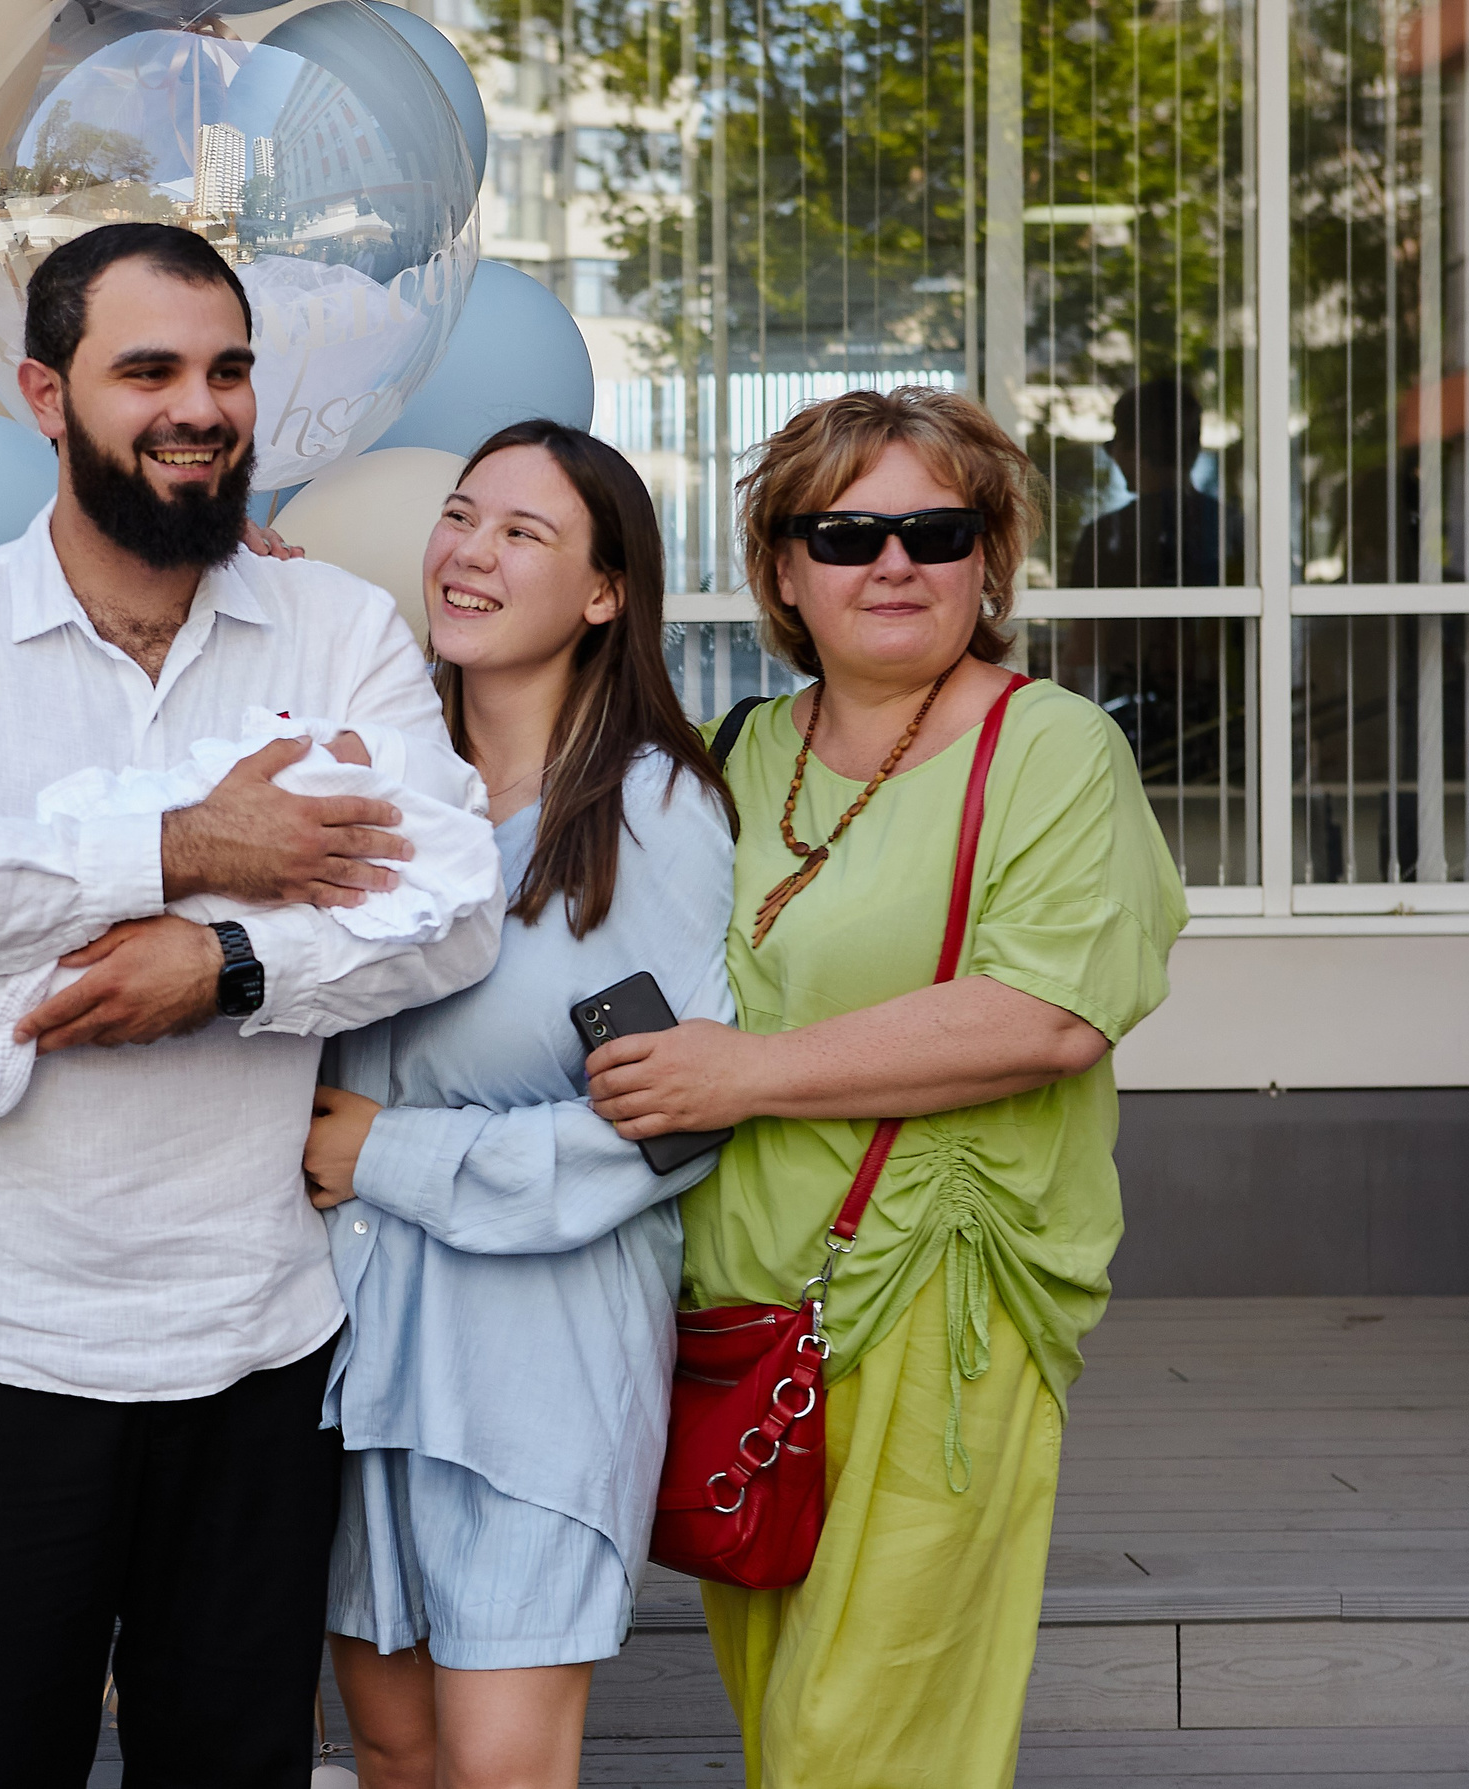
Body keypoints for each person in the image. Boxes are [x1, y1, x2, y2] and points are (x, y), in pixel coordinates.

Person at [0, 221, 503, 1787]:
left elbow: (452, 907)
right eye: (150, 371)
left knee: (236, 1768)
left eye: (229, 369)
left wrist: (227, 966)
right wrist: (196, 845)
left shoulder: (338, 630)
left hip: (256, 1344)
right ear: (46, 396)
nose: (201, 407)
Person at [583, 386, 1187, 1788]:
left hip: (939, 1291)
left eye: (934, 528)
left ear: (990, 558)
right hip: (737, 1310)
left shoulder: (1049, 748)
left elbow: (1047, 1016)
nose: (894, 562)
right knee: (782, 1707)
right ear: (784, 570)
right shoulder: (736, 751)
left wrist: (749, 1073)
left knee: (856, 1743)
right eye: (847, 533)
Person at [301, 420, 738, 1789]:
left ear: (606, 592)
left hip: (533, 1363)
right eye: (461, 514)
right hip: (350, 1355)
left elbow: (668, 1124)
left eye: (523, 533)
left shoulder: (650, 814)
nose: (470, 553)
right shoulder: (375, 789)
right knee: (392, 1749)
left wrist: (390, 1153)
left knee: (498, 1768)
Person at [1060, 376, 1240, 587]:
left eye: (1112, 445)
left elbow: (1087, 619)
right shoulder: (1233, 528)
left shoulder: (1108, 536)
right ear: (1195, 448)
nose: (1113, 456)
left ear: (1134, 450)